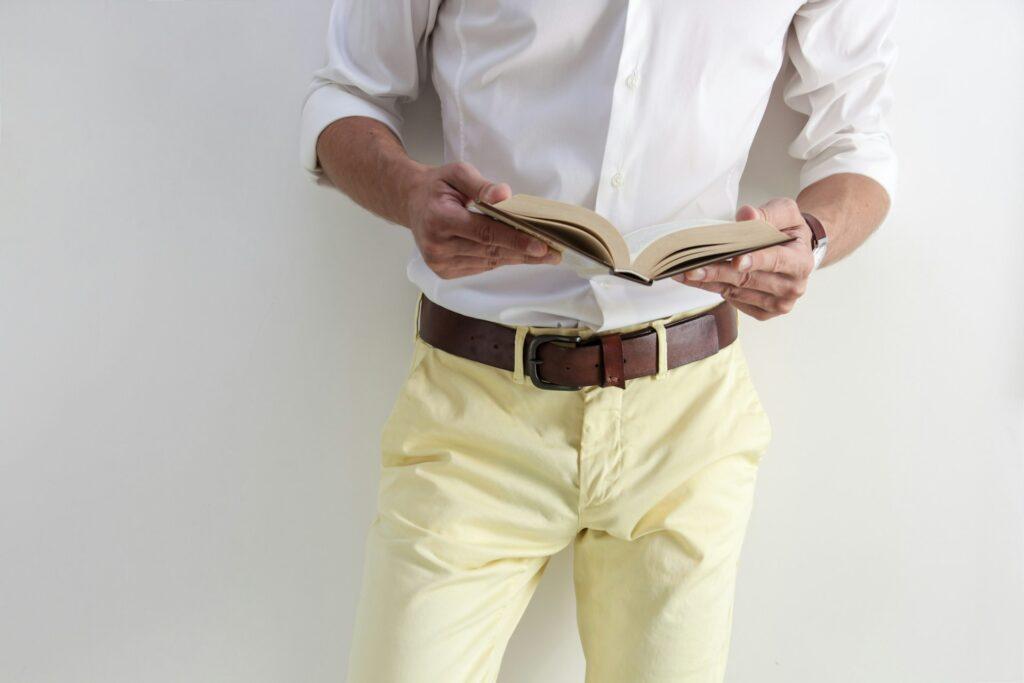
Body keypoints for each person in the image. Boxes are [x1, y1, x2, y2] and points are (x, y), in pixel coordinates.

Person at [300, 2, 896, 681]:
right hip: (474, 411)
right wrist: (409, 193)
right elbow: (344, 96)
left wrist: (813, 240)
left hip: (688, 423)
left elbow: (858, 145)